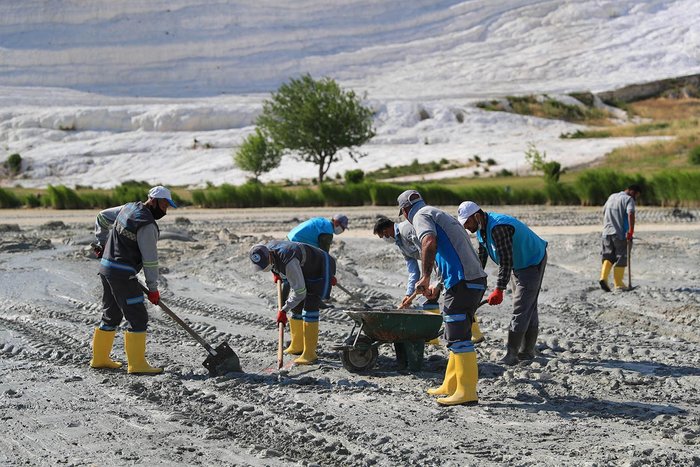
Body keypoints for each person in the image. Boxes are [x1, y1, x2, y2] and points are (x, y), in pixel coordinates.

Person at [398, 190, 487, 406]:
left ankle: (466, 392)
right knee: (454, 334)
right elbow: (450, 255)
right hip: (468, 281)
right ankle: (451, 384)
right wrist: (436, 285)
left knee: (458, 337)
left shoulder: (420, 217)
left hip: (462, 282)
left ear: (405, 211)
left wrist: (425, 277)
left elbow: (429, 242)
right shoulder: (438, 213)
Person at [90, 185, 177, 374]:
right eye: (163, 205)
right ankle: (137, 365)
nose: (165, 211)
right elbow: (150, 260)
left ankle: (99, 359)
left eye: (167, 207)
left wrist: (103, 243)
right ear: (152, 201)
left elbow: (102, 217)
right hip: (122, 274)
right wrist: (153, 288)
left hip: (106, 269)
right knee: (137, 317)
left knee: (111, 315)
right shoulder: (147, 225)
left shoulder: (128, 208)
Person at [458, 201, 547, 366]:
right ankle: (527, 351)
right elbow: (482, 256)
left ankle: (512, 354)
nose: (466, 227)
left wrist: (499, 289)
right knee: (527, 305)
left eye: (467, 222)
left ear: (477, 215)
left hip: (531, 261)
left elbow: (506, 261)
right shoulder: (481, 229)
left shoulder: (498, 227)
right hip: (519, 263)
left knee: (521, 307)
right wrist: (474, 279)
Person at [372, 216, 484, 344]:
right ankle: (432, 338)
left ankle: (475, 333)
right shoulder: (400, 243)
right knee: (428, 298)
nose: (385, 239)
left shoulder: (407, 230)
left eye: (383, 236)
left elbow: (428, 250)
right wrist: (409, 293)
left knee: (458, 302)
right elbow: (413, 270)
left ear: (386, 231)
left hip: (442, 264)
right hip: (431, 269)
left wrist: (429, 280)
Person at [249, 240, 336, 365]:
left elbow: (300, 293)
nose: (264, 267)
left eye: (265, 264)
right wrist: (276, 271)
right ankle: (297, 345)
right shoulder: (265, 249)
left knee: (309, 306)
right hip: (304, 267)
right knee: (296, 308)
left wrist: (283, 310)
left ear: (269, 255)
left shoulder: (288, 262)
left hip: (320, 267)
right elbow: (278, 265)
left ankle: (309, 354)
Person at [599, 184, 641, 291]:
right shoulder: (628, 199)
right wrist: (631, 231)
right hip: (620, 234)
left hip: (606, 233)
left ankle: (603, 278)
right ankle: (618, 283)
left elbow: (604, 211)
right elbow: (630, 213)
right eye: (637, 195)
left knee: (608, 256)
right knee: (621, 256)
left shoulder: (612, 196)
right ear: (632, 191)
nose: (636, 198)